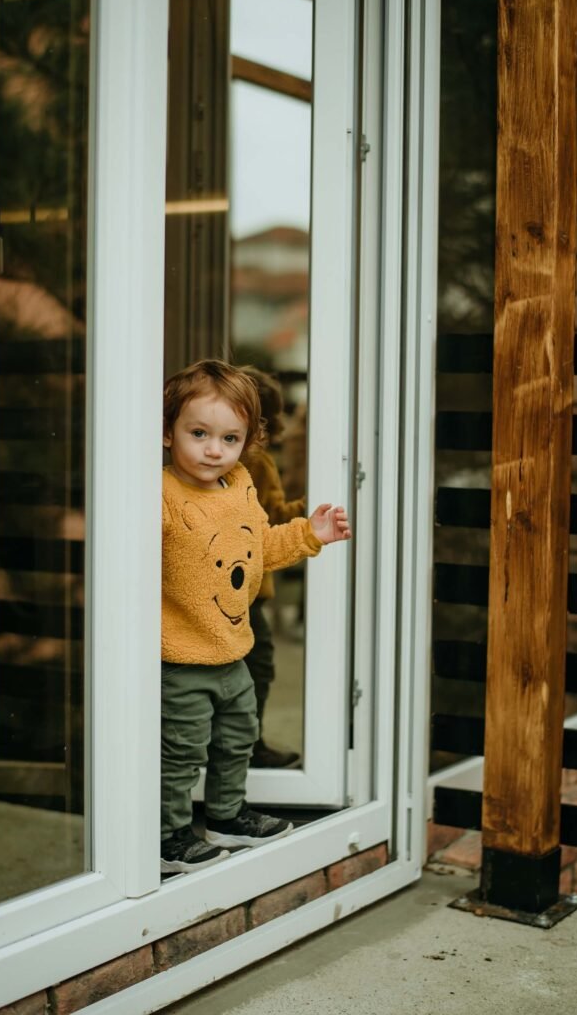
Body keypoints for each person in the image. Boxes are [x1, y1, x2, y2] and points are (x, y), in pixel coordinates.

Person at [161, 359, 351, 874]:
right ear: (166, 431)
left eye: (230, 438)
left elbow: (258, 546)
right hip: (180, 655)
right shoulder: (159, 494)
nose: (213, 450)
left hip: (232, 650)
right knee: (181, 752)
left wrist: (310, 534)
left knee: (238, 737)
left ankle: (225, 816)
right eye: (198, 433)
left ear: (248, 441)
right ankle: (169, 835)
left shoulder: (240, 483)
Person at [241, 367, 305, 769]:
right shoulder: (257, 463)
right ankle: (250, 746)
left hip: (227, 588)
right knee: (258, 666)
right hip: (244, 591)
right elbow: (271, 520)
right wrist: (310, 509)